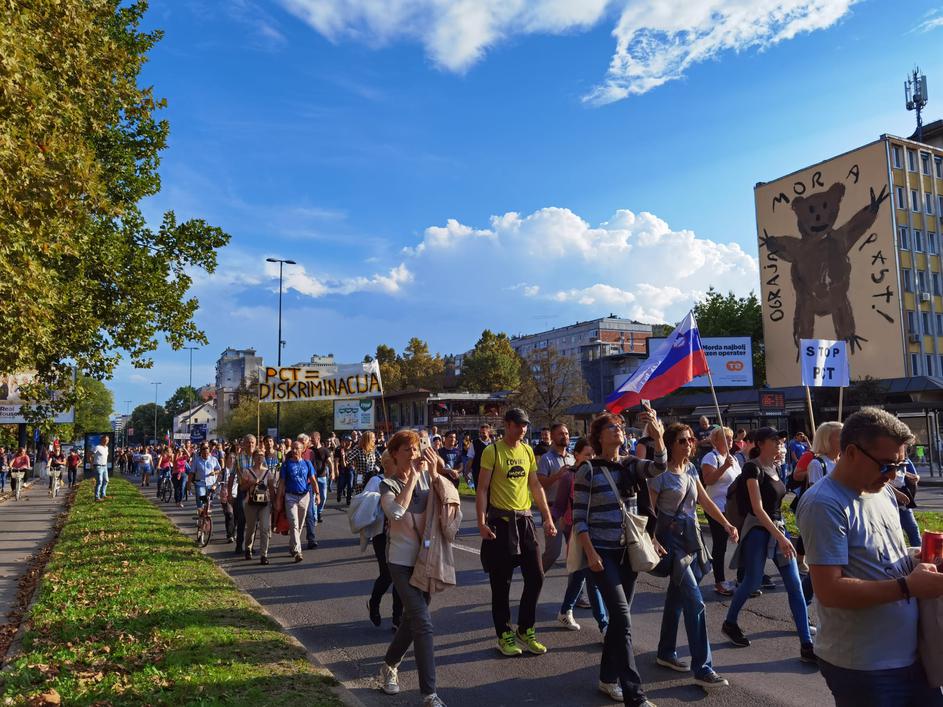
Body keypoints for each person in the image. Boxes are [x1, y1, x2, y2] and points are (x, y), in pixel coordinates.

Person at [797, 407, 943, 705]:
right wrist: (909, 587)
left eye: (899, 465)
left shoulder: (882, 491)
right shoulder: (824, 504)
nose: (892, 474)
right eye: (886, 464)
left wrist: (920, 558)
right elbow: (829, 590)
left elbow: (883, 557)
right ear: (851, 452)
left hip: (910, 655)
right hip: (864, 665)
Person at [573, 409, 666, 705]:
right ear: (599, 436)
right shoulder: (588, 469)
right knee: (623, 619)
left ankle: (606, 678)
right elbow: (579, 518)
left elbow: (660, 467)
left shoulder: (629, 465)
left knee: (617, 621)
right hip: (603, 554)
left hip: (629, 553)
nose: (618, 430)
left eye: (620, 427)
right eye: (611, 427)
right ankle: (635, 696)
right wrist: (590, 553)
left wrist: (658, 435)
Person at [649, 423, 735, 690]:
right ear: (670, 444)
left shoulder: (690, 469)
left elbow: (706, 501)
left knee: (676, 598)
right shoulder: (660, 474)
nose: (688, 444)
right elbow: (649, 510)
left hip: (691, 539)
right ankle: (703, 667)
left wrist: (725, 523)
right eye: (682, 441)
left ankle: (665, 652)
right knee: (695, 601)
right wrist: (651, 538)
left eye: (690, 441)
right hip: (671, 542)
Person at [721, 427, 815, 663]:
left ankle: (807, 644)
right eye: (775, 440)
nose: (780, 444)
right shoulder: (752, 467)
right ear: (761, 443)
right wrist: (782, 537)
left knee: (794, 585)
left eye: (781, 441)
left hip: (777, 528)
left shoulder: (776, 467)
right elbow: (757, 508)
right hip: (757, 530)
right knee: (752, 581)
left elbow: (781, 499)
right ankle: (730, 622)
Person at [477, 408, 557, 657]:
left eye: (525, 425)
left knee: (536, 576)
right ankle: (504, 634)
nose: (523, 429)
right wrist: (481, 522)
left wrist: (547, 517)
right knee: (501, 584)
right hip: (501, 522)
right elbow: (481, 489)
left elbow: (535, 485)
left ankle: (526, 629)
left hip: (524, 520)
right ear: (507, 425)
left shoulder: (527, 451)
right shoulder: (493, 451)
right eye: (518, 425)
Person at [377, 430, 448, 707]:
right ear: (395, 454)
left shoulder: (428, 479)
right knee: (423, 622)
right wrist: (413, 480)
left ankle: (389, 665)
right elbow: (395, 512)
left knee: (410, 621)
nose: (413, 455)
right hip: (400, 563)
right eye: (407, 450)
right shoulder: (387, 484)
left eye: (416, 449)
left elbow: (449, 507)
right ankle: (429, 694)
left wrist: (434, 472)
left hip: (426, 561)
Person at [556, 438, 608, 636]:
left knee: (579, 575)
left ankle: (564, 611)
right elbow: (559, 505)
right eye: (587, 454)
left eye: (593, 454)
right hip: (576, 530)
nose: (591, 458)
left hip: (596, 530)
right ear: (576, 455)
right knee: (592, 578)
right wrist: (549, 521)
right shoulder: (569, 476)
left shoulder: (599, 473)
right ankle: (603, 625)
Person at [701, 426, 741, 597]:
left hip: (734, 508)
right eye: (725, 438)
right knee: (720, 545)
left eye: (731, 438)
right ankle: (720, 581)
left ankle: (743, 578)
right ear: (716, 441)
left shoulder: (733, 458)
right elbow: (708, 480)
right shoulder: (711, 458)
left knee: (742, 542)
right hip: (717, 507)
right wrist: (724, 467)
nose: (730, 441)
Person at [537, 422, 575, 572]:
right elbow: (540, 483)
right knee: (553, 553)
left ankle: (578, 594)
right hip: (553, 510)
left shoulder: (572, 458)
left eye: (566, 433)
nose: (564, 436)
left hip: (571, 511)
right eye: (560, 434)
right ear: (552, 437)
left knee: (575, 554)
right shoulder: (546, 459)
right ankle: (536, 576)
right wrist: (557, 476)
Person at [278, 440, 319, 563]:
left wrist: (317, 494)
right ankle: (298, 552)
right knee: (294, 524)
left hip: (304, 497)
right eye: (293, 448)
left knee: (299, 525)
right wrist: (278, 499)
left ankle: (292, 545)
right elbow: (281, 483)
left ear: (302, 450)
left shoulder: (307, 463)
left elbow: (312, 479)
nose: (295, 451)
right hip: (290, 497)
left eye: (298, 448)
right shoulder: (286, 465)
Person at [241, 450, 275, 563]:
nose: (260, 457)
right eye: (257, 455)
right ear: (253, 457)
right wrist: (252, 483)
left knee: (265, 528)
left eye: (262, 455)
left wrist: (274, 503)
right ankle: (248, 548)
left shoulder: (268, 473)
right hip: (250, 503)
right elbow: (242, 488)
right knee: (251, 528)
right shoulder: (247, 471)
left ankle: (264, 555)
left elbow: (271, 488)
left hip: (265, 503)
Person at [232, 436, 256, 554]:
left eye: (252, 442)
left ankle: (250, 546)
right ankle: (239, 544)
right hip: (243, 491)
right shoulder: (238, 458)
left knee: (254, 520)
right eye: (248, 442)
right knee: (242, 518)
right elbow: (232, 476)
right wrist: (229, 494)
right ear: (244, 444)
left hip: (256, 491)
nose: (250, 445)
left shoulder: (260, 458)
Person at [891, 455, 922, 547]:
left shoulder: (905, 459)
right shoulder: (886, 457)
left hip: (903, 500)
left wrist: (914, 477)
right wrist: (897, 493)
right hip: (890, 498)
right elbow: (883, 480)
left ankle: (918, 553)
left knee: (913, 528)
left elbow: (912, 474)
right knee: (894, 531)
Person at [191, 442, 220, 511]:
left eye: (207, 453)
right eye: (204, 453)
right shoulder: (197, 460)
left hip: (211, 484)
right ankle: (201, 511)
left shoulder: (213, 459)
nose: (206, 454)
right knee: (201, 497)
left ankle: (206, 514)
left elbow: (219, 469)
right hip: (200, 483)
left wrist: (214, 472)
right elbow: (192, 472)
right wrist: (189, 483)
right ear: (201, 452)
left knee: (208, 500)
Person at [310, 432, 331, 524]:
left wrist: (333, 472)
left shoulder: (325, 450)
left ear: (318, 438)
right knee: (314, 497)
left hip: (322, 477)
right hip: (312, 477)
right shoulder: (310, 450)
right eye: (311, 439)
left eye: (313, 439)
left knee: (323, 497)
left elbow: (330, 462)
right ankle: (315, 517)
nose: (311, 440)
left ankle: (319, 511)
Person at [466, 423, 492, 489]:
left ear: (489, 432)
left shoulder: (494, 443)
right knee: (479, 491)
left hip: (491, 472)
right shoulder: (474, 443)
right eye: (480, 433)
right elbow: (470, 458)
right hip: (478, 471)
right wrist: (467, 472)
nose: (481, 434)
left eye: (483, 433)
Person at [335, 436, 354, 506]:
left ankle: (348, 499)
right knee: (341, 485)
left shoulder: (353, 449)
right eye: (348, 441)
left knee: (350, 485)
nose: (349, 442)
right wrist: (336, 470)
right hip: (342, 470)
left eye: (350, 441)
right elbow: (336, 461)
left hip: (350, 469)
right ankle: (339, 494)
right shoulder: (339, 449)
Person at [93, 435, 110, 501]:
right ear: (101, 440)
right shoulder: (97, 447)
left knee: (106, 480)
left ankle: (103, 494)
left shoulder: (106, 448)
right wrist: (91, 463)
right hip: (98, 466)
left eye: (107, 440)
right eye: (105, 439)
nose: (106, 441)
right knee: (99, 481)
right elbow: (90, 454)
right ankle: (97, 497)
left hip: (104, 466)